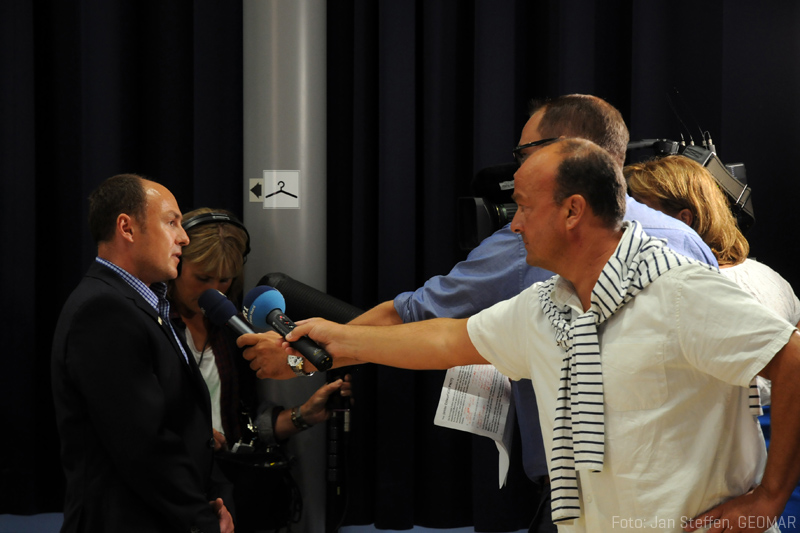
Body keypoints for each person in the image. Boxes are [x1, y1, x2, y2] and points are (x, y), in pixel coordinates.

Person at [239, 94, 718, 532]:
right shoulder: (672, 248)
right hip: (654, 497)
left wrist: (301, 358)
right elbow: (446, 338)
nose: (514, 217)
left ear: (571, 191)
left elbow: (782, 358)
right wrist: (314, 351)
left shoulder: (538, 247)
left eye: (524, 156)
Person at [625, 155, 800, 531]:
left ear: (682, 220)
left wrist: (769, 494)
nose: (624, 228)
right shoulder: (769, 277)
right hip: (776, 474)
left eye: (639, 212)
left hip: (722, 482)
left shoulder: (695, 295)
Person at [51, 174, 234, 532]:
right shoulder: (103, 311)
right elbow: (144, 445)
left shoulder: (144, 305)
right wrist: (201, 521)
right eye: (171, 222)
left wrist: (206, 500)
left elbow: (178, 422)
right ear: (127, 228)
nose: (184, 237)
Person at [168, 207, 351, 452]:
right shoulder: (152, 322)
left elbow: (246, 423)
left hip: (223, 478)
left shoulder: (229, 328)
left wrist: (304, 414)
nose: (214, 291)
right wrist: (186, 434)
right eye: (203, 278)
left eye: (224, 280)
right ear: (175, 264)